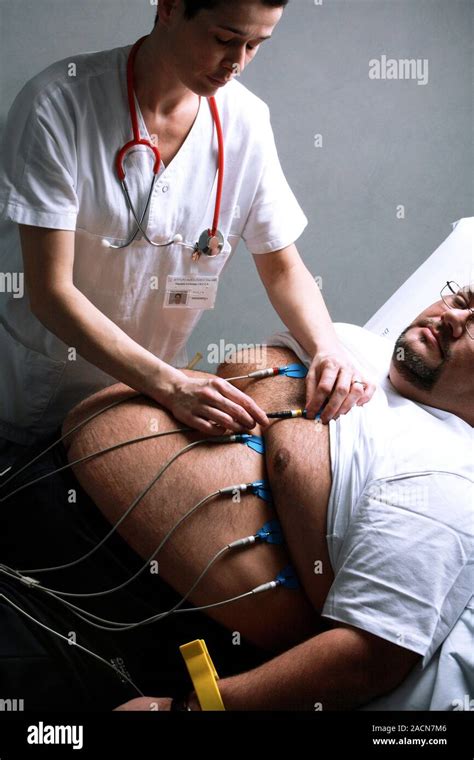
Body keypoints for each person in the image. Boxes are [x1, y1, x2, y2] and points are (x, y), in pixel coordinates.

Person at [0, 282, 471, 711]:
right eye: (462, 299)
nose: (453, 316)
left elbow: (369, 656)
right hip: (38, 484)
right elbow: (246, 371)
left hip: (113, 611)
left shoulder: (451, 480)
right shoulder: (347, 344)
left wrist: (187, 710)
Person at [0, 0, 375, 470]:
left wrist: (327, 349)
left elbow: (282, 265)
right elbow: (50, 292)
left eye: (255, 45)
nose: (237, 63)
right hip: (37, 396)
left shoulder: (246, 121)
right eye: (224, 39)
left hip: (136, 405)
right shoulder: (59, 104)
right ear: (170, 7)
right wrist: (173, 385)